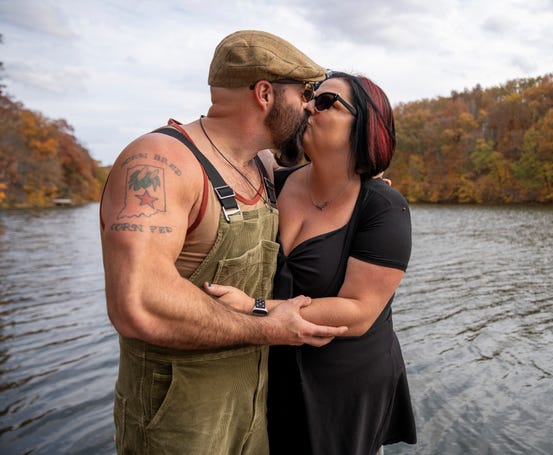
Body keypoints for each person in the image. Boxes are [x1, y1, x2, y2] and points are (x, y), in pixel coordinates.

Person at [99, 30, 348, 454]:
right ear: (265, 93)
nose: (311, 105)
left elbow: (321, 182)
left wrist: (365, 184)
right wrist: (269, 327)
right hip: (176, 425)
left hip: (250, 416)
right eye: (305, 92)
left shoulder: (263, 167)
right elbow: (138, 301)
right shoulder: (161, 161)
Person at [206, 72, 417, 454]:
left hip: (345, 389)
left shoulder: (383, 207)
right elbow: (229, 141)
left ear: (365, 126)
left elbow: (358, 312)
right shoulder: (273, 183)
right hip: (273, 376)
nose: (308, 107)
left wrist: (253, 308)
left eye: (325, 103)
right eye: (309, 98)